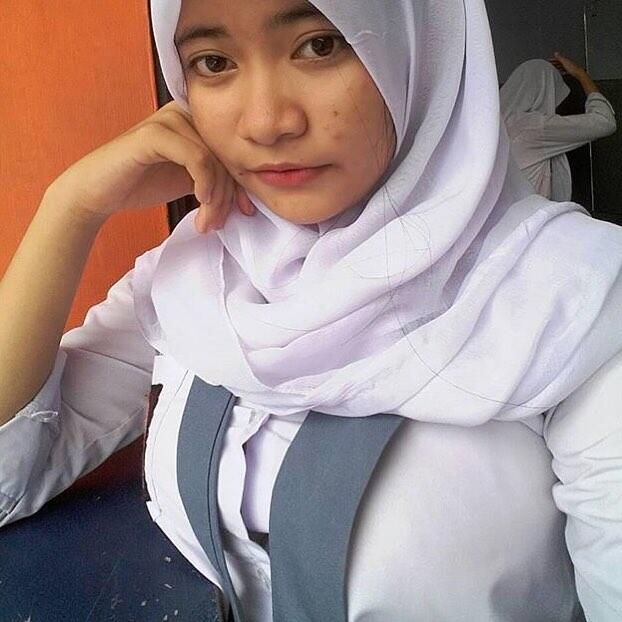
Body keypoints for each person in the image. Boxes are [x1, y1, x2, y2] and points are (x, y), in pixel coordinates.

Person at [1, 0, 622, 620]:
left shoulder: (578, 302)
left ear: (421, 49)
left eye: (320, 45)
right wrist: (71, 208)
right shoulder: (197, 272)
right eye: (213, 62)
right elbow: (12, 477)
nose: (266, 122)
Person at [500, 53, 617, 202]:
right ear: (545, 92)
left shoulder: (495, 126)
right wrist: (581, 74)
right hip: (530, 213)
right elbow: (605, 121)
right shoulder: (533, 128)